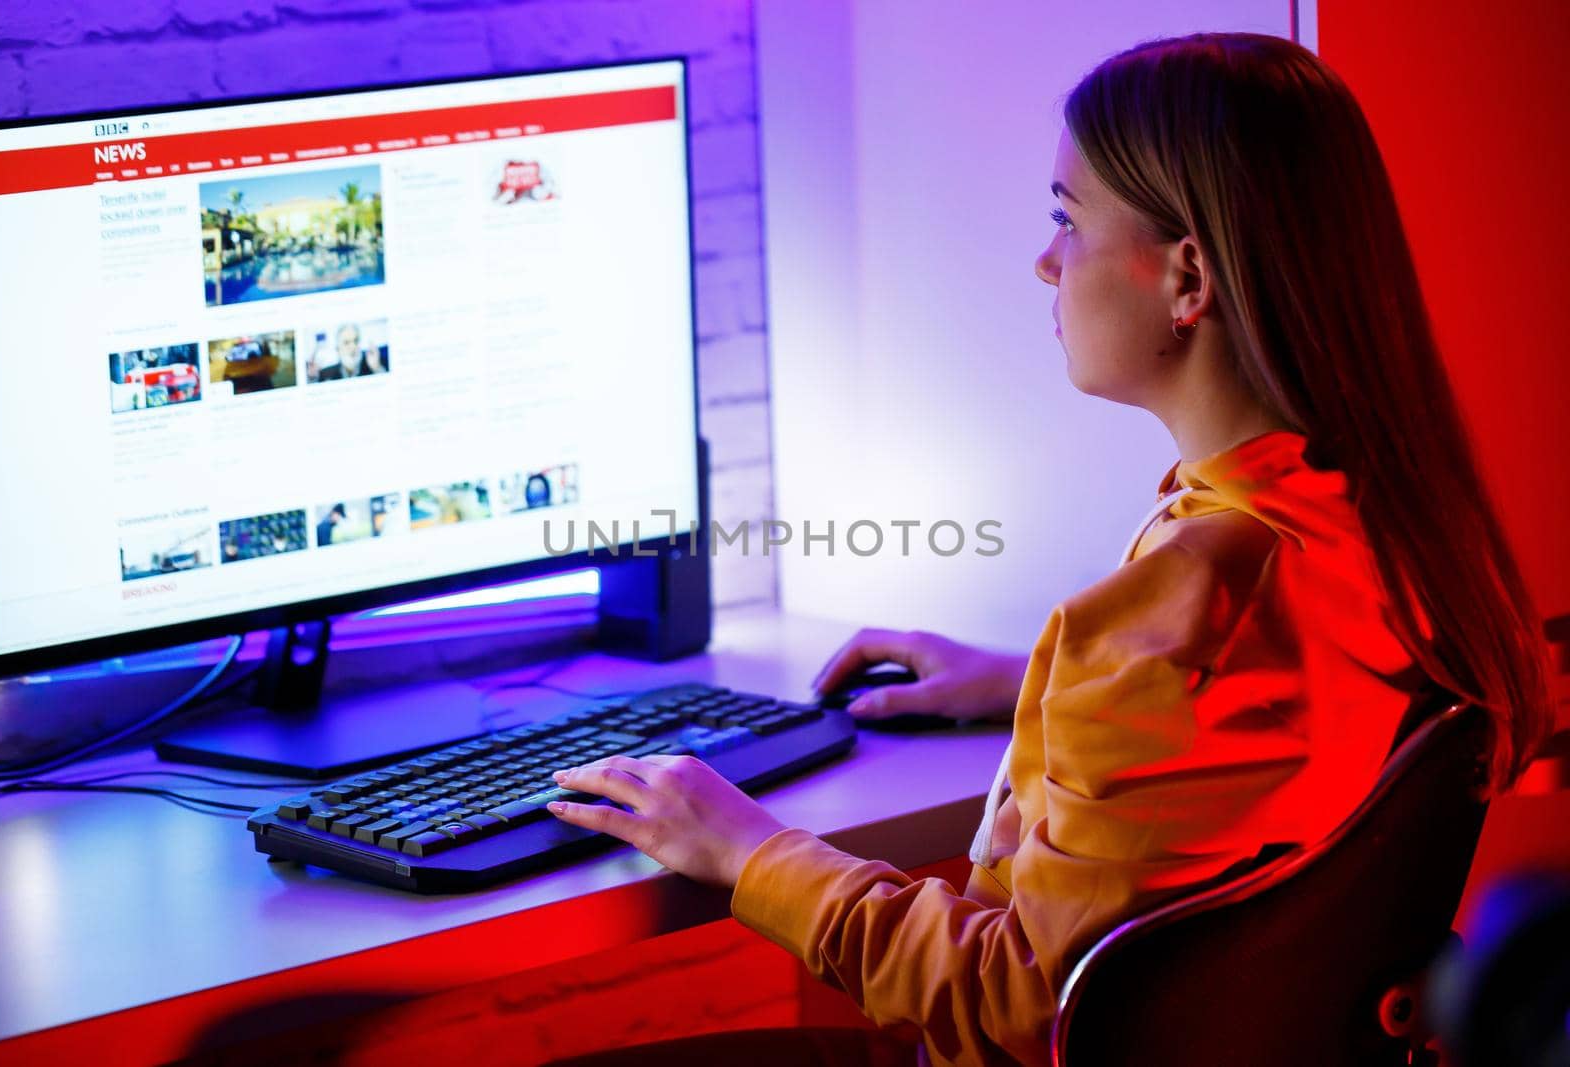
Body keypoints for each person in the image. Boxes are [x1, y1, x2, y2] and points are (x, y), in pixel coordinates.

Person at [545, 32, 1553, 1066]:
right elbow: (1263, 711)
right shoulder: (1383, 527)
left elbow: (1015, 1003)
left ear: (1188, 277)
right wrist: (1038, 684)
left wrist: (747, 848)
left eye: (1066, 220)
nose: (1044, 261)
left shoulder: (1181, 606)